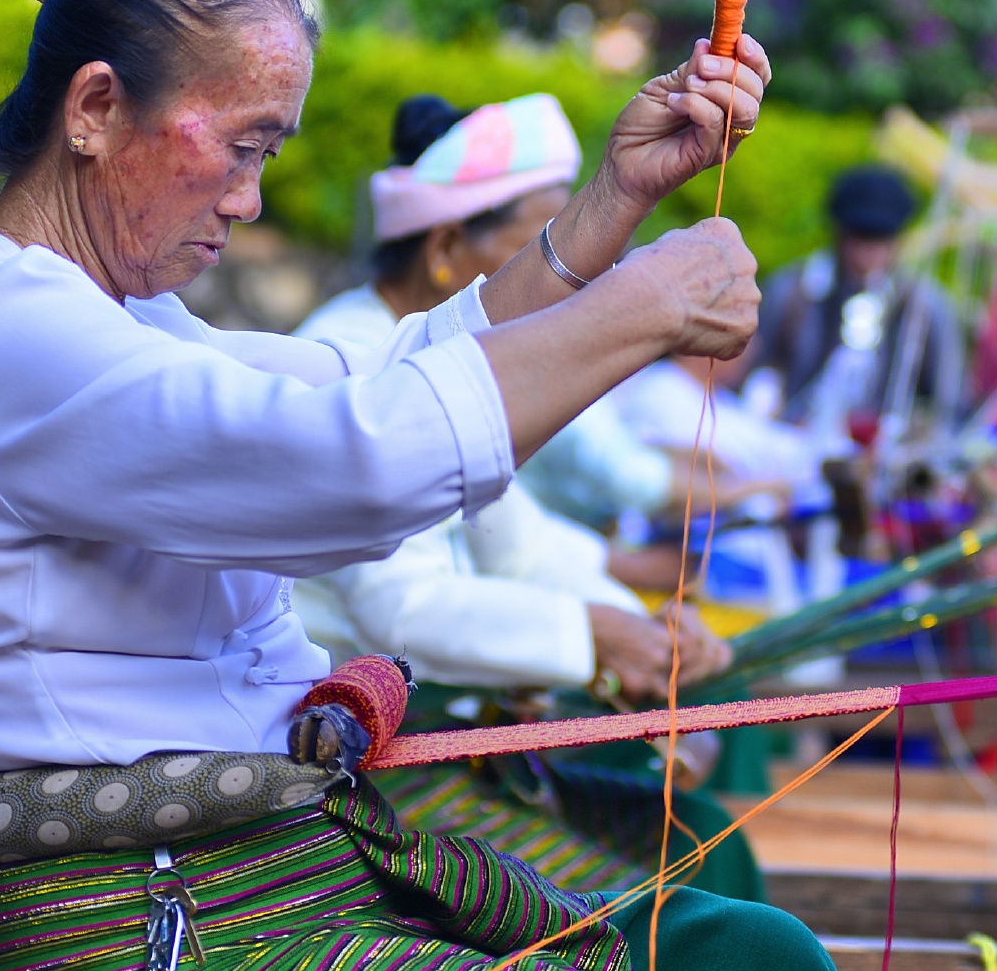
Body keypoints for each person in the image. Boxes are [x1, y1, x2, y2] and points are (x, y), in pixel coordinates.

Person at [0, 0, 878, 971]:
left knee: (765, 963)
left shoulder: (98, 317)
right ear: (93, 110)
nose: (247, 199)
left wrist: (614, 209)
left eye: (265, 155)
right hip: (148, 964)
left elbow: (370, 380)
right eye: (241, 147)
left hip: (253, 885)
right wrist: (641, 309)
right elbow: (352, 461)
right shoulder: (8, 332)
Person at [290, 90, 756, 899]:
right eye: (551, 248)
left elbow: (520, 543)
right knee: (681, 885)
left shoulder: (446, 353)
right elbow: (400, 613)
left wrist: (640, 628)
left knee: (708, 845)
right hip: (351, 770)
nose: (586, 277)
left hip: (437, 731)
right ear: (444, 249)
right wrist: (600, 633)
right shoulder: (348, 355)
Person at [749, 163, 966, 447]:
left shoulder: (926, 306)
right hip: (788, 447)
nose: (868, 251)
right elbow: (752, 372)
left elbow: (948, 402)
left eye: (880, 239)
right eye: (859, 236)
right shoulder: (791, 292)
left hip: (886, 460)